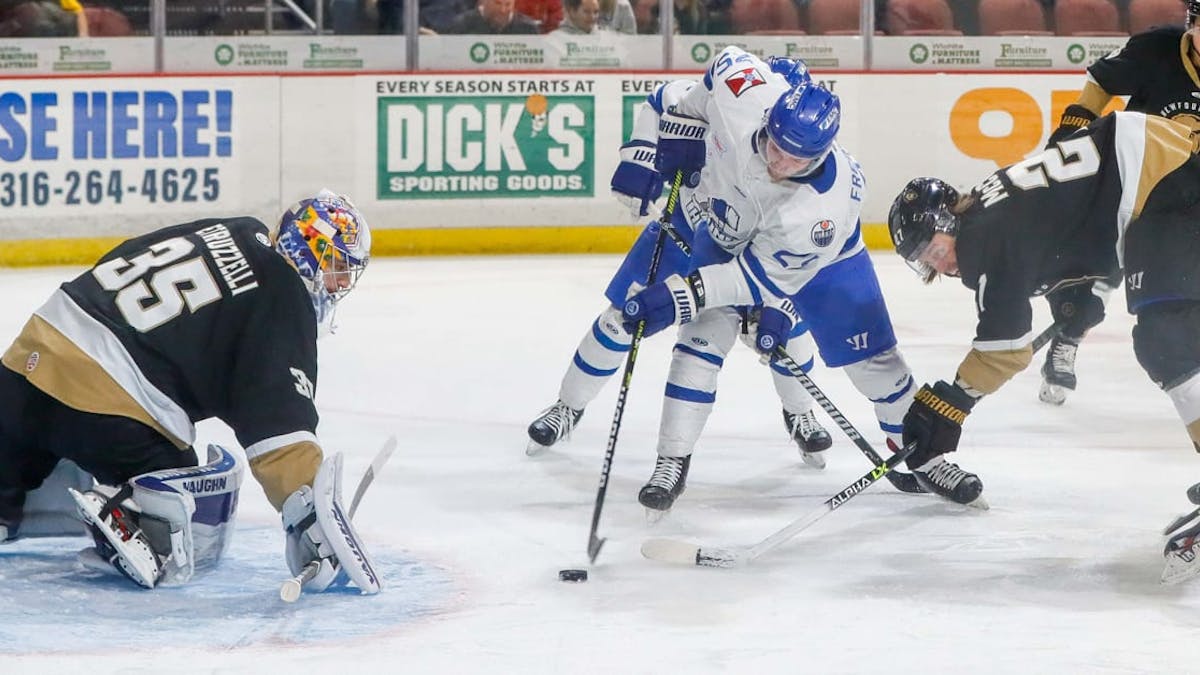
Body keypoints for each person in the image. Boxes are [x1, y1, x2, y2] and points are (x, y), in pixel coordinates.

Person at [0, 190, 380, 596]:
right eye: (336, 266)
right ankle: (128, 514)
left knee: (18, 436)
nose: (339, 283)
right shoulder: (283, 294)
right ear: (309, 251)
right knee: (187, 507)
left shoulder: (233, 229)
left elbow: (124, 253)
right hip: (104, 410)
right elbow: (277, 419)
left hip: (27, 365)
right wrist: (310, 517)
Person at [886, 110, 1200, 580]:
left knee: (1167, 336)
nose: (943, 264)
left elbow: (1005, 347)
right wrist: (1077, 290)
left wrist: (949, 404)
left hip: (1163, 181)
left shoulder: (983, 242)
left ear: (947, 218)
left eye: (935, 248)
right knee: (1174, 331)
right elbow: (1069, 218)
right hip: (1160, 167)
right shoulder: (991, 208)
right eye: (928, 262)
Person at [611, 46, 919, 512]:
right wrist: (681, 130)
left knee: (877, 365)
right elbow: (712, 74)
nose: (779, 162)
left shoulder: (821, 210)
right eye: (775, 145)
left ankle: (925, 459)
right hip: (729, 235)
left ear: (821, 154)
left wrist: (678, 297)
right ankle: (671, 461)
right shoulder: (746, 92)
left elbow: (757, 283)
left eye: (795, 160)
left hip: (825, 264)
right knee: (699, 341)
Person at [527, 53, 838, 473]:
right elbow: (664, 99)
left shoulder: (805, 163)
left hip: (749, 254)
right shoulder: (732, 105)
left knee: (785, 333)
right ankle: (568, 406)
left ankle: (800, 412)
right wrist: (640, 156)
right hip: (687, 225)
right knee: (621, 318)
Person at [1036, 4, 1200, 406]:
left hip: (1190, 198)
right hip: (1134, 182)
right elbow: (1101, 81)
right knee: (1101, 272)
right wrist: (1071, 132)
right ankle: (1068, 336)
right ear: (1192, 24)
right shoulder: (1157, 49)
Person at [447, 0, 540, 34]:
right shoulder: (462, 26)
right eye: (497, 3)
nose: (502, 10)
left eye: (508, 4)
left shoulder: (528, 28)